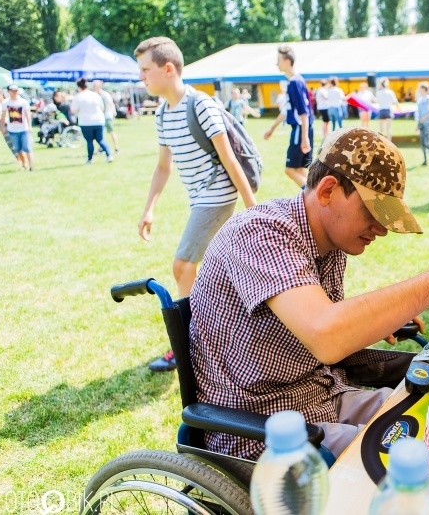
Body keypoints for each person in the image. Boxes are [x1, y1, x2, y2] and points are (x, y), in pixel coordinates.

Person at [188, 126, 429, 460]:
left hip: (322, 394)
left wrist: (376, 320)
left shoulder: (329, 242)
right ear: (327, 190)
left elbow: (323, 324)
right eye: (374, 211)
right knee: (419, 456)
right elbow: (327, 334)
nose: (382, 229)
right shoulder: (260, 232)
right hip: (262, 426)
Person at [133, 36, 258, 372]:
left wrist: (252, 207)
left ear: (168, 69)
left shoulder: (200, 105)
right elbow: (163, 167)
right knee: (219, 270)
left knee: (182, 266)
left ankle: (186, 345)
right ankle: (221, 333)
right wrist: (149, 208)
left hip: (217, 196)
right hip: (199, 199)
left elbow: (229, 159)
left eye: (145, 70)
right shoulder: (162, 114)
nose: (141, 77)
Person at [263, 47, 313, 190]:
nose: (276, 64)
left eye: (278, 60)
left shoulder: (294, 83)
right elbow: (287, 111)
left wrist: (304, 137)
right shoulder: (298, 80)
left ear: (287, 61)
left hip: (299, 130)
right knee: (300, 169)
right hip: (302, 129)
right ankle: (315, 194)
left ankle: (313, 196)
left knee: (290, 170)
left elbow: (303, 112)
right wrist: (272, 129)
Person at [72, 78, 113, 164]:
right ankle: (109, 155)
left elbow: (74, 110)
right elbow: (102, 107)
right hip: (99, 120)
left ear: (78, 87)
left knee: (89, 141)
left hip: (86, 122)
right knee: (100, 140)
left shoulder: (78, 97)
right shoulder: (95, 95)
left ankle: (90, 159)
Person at [0, 84, 34, 170]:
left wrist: (30, 126)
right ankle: (24, 164)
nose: (14, 92)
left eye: (16, 90)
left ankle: (31, 166)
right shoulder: (6, 102)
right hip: (12, 129)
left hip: (24, 128)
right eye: (12, 91)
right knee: (18, 149)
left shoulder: (23, 102)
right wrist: (2, 127)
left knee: (27, 147)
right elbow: (3, 116)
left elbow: (28, 115)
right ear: (9, 92)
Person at [92, 80, 119, 153]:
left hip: (107, 116)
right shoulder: (94, 95)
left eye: (95, 85)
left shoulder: (105, 95)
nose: (93, 87)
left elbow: (110, 104)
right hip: (98, 117)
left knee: (111, 131)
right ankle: (101, 148)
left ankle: (116, 147)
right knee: (100, 134)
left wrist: (113, 113)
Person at [0, 87, 18, 161]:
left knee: (16, 139)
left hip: (12, 122)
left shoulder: (7, 101)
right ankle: (17, 156)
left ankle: (21, 155)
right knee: (9, 140)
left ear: (1, 93)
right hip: (2, 123)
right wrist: (3, 121)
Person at [415, 81, 429, 167]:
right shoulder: (420, 100)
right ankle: (425, 160)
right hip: (421, 123)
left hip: (427, 123)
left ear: (424, 89)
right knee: (422, 142)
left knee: (427, 142)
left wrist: (424, 118)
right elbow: (418, 114)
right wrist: (418, 125)